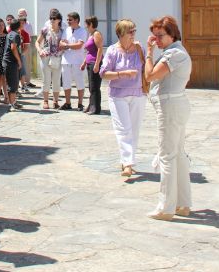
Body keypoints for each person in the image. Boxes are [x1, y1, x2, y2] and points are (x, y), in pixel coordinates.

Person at [144, 15, 193, 221]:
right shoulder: (174, 52)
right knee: (178, 155)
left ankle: (166, 207)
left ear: (172, 34)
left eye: (160, 36)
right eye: (154, 36)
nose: (156, 40)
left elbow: (151, 75)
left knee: (167, 156)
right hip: (174, 105)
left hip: (171, 106)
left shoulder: (174, 54)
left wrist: (148, 53)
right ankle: (182, 203)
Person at [100, 19, 146, 178]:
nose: (133, 34)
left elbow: (147, 67)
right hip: (118, 95)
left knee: (134, 129)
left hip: (138, 94)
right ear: (121, 34)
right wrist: (122, 74)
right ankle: (127, 163)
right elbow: (103, 73)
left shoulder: (140, 49)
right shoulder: (112, 51)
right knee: (123, 129)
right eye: (130, 31)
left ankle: (128, 160)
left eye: (134, 30)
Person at [59, 12, 87, 110]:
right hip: (66, 61)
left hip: (77, 61)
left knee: (79, 83)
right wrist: (69, 45)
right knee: (66, 83)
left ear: (76, 20)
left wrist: (67, 45)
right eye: (68, 19)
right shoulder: (66, 30)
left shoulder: (82, 31)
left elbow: (79, 45)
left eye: (70, 20)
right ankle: (68, 103)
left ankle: (80, 103)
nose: (68, 21)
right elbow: (61, 43)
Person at [36, 9, 64, 110]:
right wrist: (40, 50)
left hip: (57, 58)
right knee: (46, 80)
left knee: (56, 80)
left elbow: (65, 44)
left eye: (54, 18)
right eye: (51, 18)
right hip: (46, 58)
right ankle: (45, 101)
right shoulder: (45, 30)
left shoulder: (62, 32)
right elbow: (37, 42)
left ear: (59, 20)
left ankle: (55, 102)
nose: (52, 20)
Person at [81, 16, 104, 115]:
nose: (85, 26)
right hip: (90, 62)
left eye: (86, 24)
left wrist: (97, 64)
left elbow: (100, 49)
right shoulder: (90, 35)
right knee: (91, 86)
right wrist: (84, 63)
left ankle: (96, 108)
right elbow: (89, 51)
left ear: (90, 24)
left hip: (95, 62)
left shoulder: (96, 34)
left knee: (95, 86)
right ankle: (91, 105)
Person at [2, 19, 23, 111]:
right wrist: (19, 60)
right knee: (13, 83)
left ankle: (13, 102)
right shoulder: (15, 35)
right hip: (11, 62)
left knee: (12, 82)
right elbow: (13, 48)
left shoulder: (10, 34)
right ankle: (11, 105)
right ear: (19, 26)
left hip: (7, 61)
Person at [17, 8, 37, 88]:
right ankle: (19, 82)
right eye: (20, 14)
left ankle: (27, 81)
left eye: (23, 13)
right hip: (17, 46)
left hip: (27, 45)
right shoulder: (16, 23)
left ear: (26, 15)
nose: (22, 15)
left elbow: (31, 35)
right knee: (18, 64)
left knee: (27, 64)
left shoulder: (28, 24)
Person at [18, 17, 32, 93]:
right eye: (20, 22)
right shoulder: (11, 31)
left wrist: (20, 54)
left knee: (22, 70)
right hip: (11, 55)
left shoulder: (26, 34)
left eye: (23, 23)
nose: (21, 24)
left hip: (20, 55)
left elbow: (26, 47)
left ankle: (23, 85)